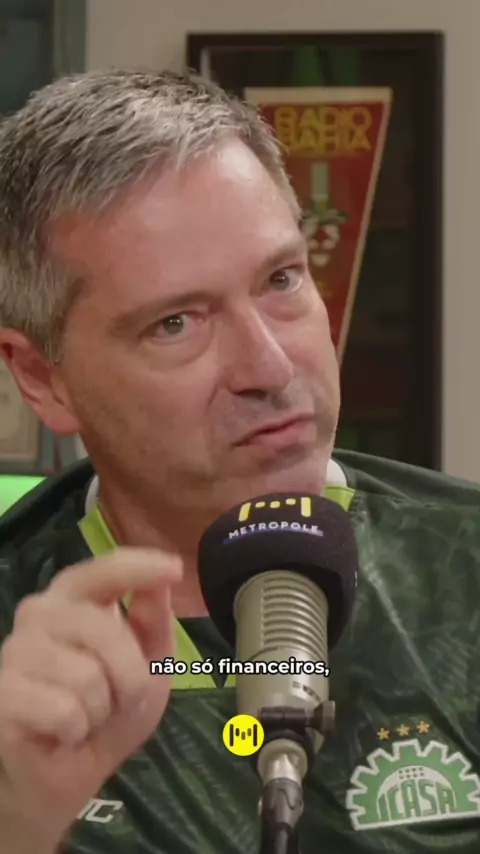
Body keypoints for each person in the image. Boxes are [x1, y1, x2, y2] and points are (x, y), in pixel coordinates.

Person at [0, 68, 479, 854]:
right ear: (41, 377)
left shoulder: (464, 578)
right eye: (176, 323)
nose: (270, 366)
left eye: (281, 280)